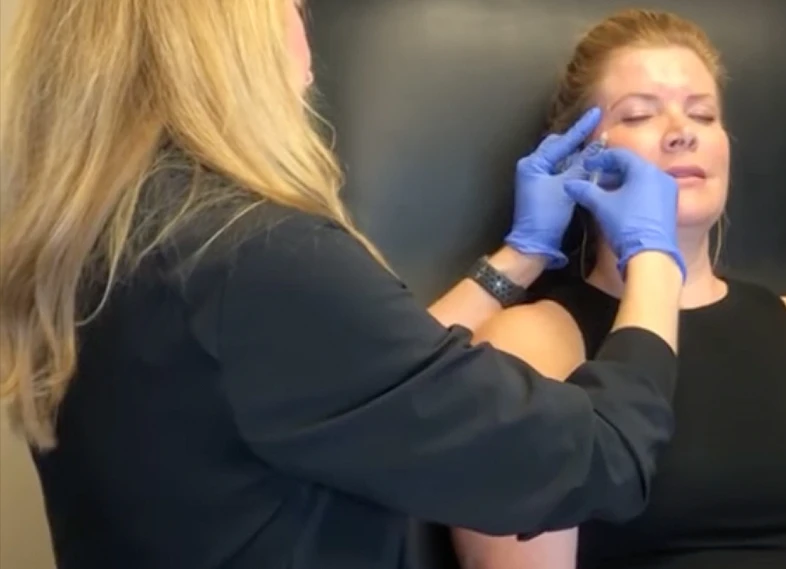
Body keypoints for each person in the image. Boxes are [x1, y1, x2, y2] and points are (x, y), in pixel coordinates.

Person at [0, 1, 692, 568]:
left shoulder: (108, 244)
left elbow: (377, 387)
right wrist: (654, 256)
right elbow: (601, 456)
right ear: (232, 43)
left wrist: (517, 257)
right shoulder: (252, 256)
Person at [451, 9, 786, 569]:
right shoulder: (533, 342)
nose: (681, 131)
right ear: (579, 159)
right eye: (641, 114)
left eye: (703, 113)